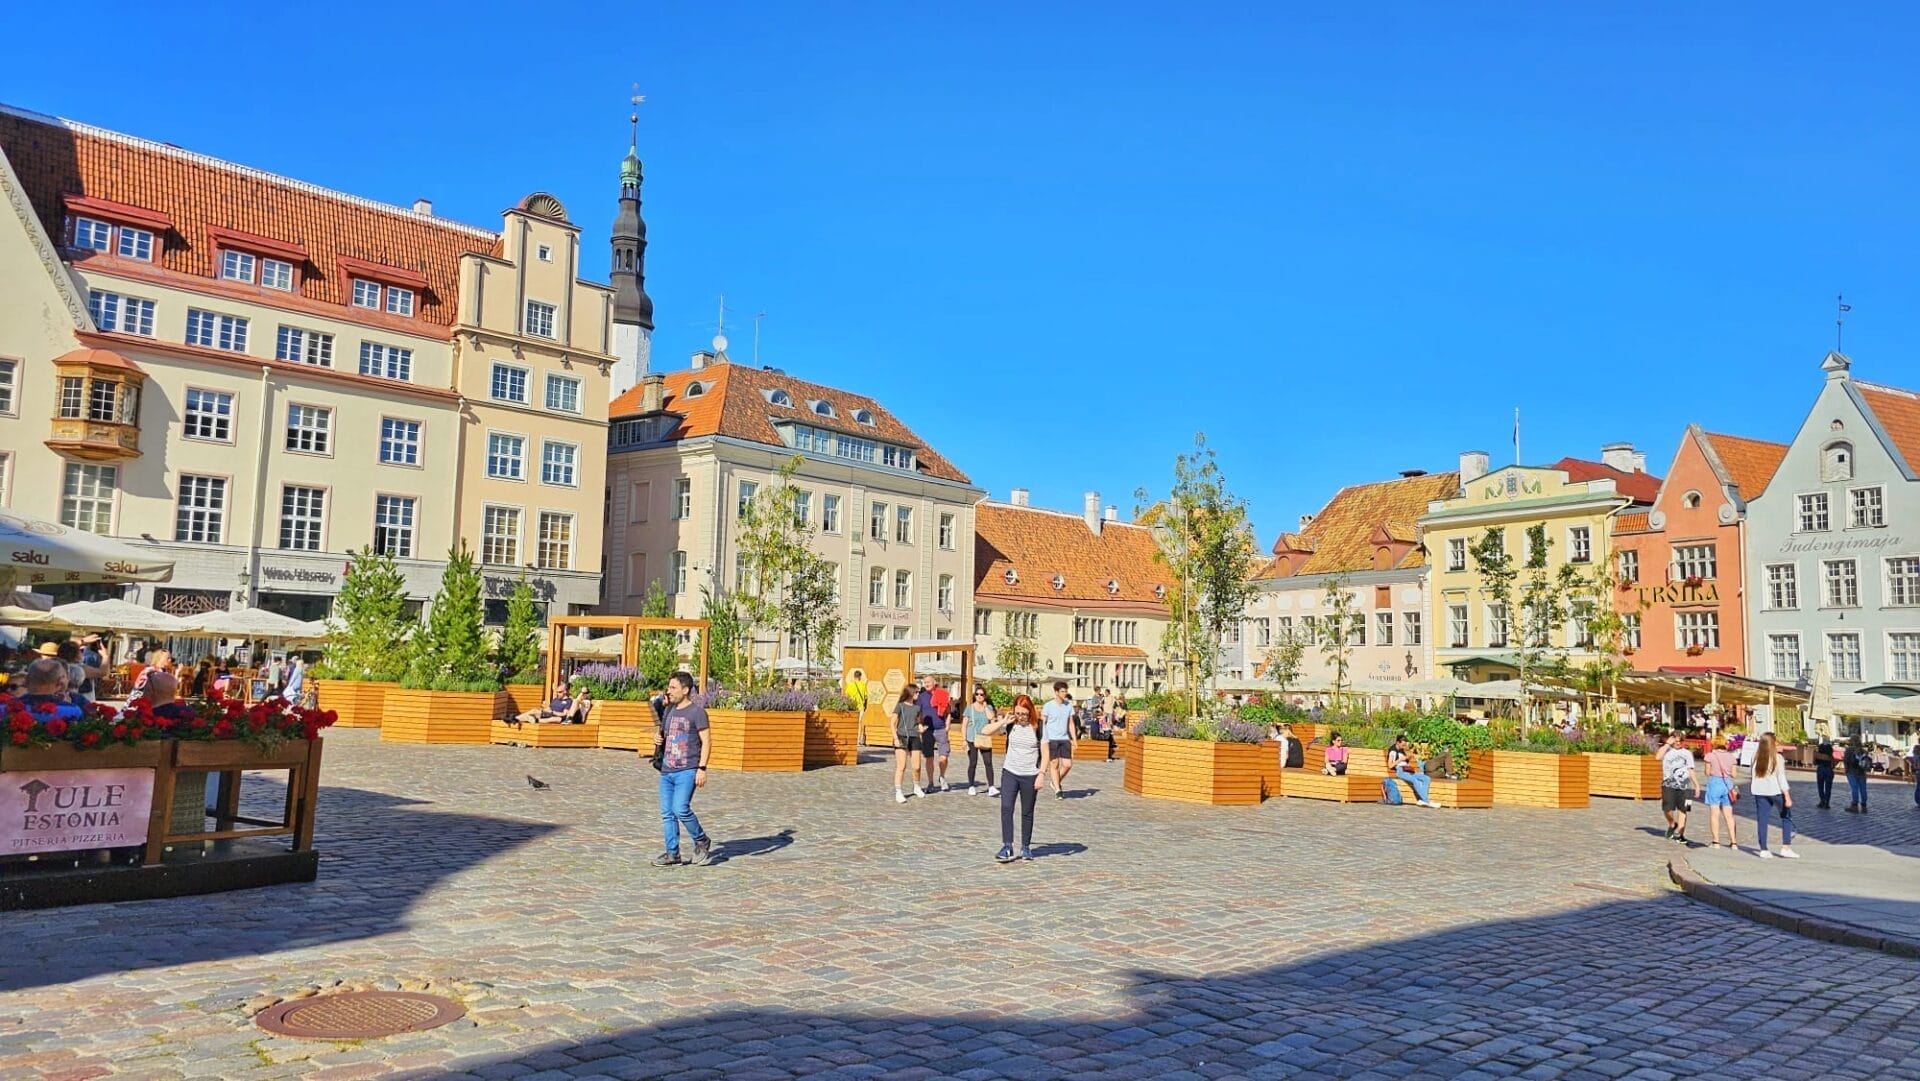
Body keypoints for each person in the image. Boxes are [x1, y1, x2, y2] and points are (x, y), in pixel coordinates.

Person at [653, 670, 712, 867]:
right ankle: (673, 853)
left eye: (673, 687)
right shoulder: (669, 711)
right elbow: (666, 735)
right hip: (667, 770)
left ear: (685, 690)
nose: (669, 691)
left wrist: (702, 768)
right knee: (667, 813)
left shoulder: (697, 712)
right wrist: (657, 739)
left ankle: (701, 839)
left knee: (680, 809)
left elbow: (707, 741)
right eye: (669, 687)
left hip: (688, 769)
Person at [985, 694, 1051, 862]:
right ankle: (1007, 846)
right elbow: (985, 731)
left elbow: (1045, 754)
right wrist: (1003, 721)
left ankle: (1026, 847)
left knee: (1027, 812)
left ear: (1030, 712)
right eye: (1018, 713)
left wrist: (1041, 775)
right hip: (1010, 773)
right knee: (1006, 808)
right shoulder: (1010, 725)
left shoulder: (1039, 727)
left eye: (1024, 714)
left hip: (1030, 775)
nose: (1021, 717)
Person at [1749, 733, 1799, 859]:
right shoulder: (1777, 758)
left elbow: (1752, 774)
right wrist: (1787, 796)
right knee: (1786, 817)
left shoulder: (1755, 757)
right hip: (1775, 790)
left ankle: (1763, 849)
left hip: (1759, 791)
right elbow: (1781, 778)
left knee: (1762, 820)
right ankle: (1785, 847)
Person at [1661, 730, 1701, 845]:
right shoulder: (1667, 751)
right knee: (1667, 809)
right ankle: (1672, 824)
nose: (1678, 743)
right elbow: (1657, 757)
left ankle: (1681, 834)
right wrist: (1667, 744)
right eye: (1675, 741)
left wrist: (1697, 786)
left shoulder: (1687, 753)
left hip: (1686, 786)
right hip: (1668, 784)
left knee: (1685, 809)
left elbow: (1691, 769)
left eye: (1680, 741)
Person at [1701, 733, 1740, 850]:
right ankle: (1734, 842)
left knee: (1714, 814)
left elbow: (1707, 773)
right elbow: (1734, 774)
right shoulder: (1731, 757)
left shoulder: (1710, 756)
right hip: (1727, 786)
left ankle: (1716, 842)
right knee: (1729, 815)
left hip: (1714, 784)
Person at [1040, 680, 1076, 798]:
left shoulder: (1068, 706)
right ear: (1056, 692)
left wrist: (1074, 739)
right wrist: (1043, 739)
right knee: (1054, 764)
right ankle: (1058, 790)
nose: (1064, 693)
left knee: (1067, 764)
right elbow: (1043, 723)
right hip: (1052, 738)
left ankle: (1054, 782)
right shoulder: (1048, 706)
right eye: (1062, 691)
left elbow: (1071, 723)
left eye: (1066, 691)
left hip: (1064, 738)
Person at [916, 675, 951, 793]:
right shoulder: (921, 697)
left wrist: (947, 725)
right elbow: (918, 712)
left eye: (928, 682)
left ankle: (942, 776)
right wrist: (920, 725)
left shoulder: (942, 694)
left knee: (944, 757)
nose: (926, 684)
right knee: (929, 757)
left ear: (934, 682)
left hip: (941, 729)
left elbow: (948, 711)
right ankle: (930, 782)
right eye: (924, 682)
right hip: (927, 730)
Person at [963, 687, 998, 796]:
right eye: (977, 694)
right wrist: (963, 740)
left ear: (985, 696)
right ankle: (971, 785)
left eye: (982, 694)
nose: (979, 696)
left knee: (988, 762)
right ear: (974, 695)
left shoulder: (988, 707)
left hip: (984, 737)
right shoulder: (970, 708)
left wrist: (985, 707)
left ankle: (991, 786)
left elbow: (992, 718)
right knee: (973, 762)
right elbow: (964, 725)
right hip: (972, 738)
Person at [893, 685, 925, 803]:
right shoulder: (900, 706)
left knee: (917, 766)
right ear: (910, 693)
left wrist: (921, 728)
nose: (918, 694)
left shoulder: (917, 707)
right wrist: (895, 738)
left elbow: (918, 722)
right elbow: (892, 723)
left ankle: (916, 786)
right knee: (901, 766)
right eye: (916, 692)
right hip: (901, 737)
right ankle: (898, 791)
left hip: (915, 737)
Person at [1387, 734, 1435, 808]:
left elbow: (1404, 759)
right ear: (1397, 743)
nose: (1404, 747)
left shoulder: (1401, 749)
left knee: (1426, 778)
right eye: (1403, 745)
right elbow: (1390, 765)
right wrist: (1400, 759)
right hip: (1401, 770)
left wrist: (1408, 758)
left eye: (1405, 745)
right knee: (1415, 780)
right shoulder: (1392, 751)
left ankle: (1423, 800)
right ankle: (1426, 800)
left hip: (1407, 769)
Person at [514, 678, 587, 725]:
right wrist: (543, 710)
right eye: (557, 692)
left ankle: (534, 719)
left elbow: (564, 714)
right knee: (534, 710)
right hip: (549, 713)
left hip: (556, 716)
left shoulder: (568, 701)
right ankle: (515, 719)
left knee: (554, 719)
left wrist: (553, 712)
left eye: (559, 692)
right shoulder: (555, 699)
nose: (557, 693)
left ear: (564, 692)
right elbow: (548, 708)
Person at [1843, 735, 1872, 812]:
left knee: (1854, 788)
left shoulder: (1849, 750)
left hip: (1852, 771)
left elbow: (1846, 760)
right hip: (1862, 772)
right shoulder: (1864, 750)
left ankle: (1854, 805)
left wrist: (1846, 769)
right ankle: (1864, 805)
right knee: (1863, 788)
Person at [1813, 725, 1836, 809]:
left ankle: (1822, 800)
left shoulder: (1818, 753)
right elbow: (1833, 764)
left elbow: (1814, 762)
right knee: (1828, 787)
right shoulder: (1830, 754)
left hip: (1821, 769)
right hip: (1829, 770)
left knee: (1820, 786)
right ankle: (1827, 802)